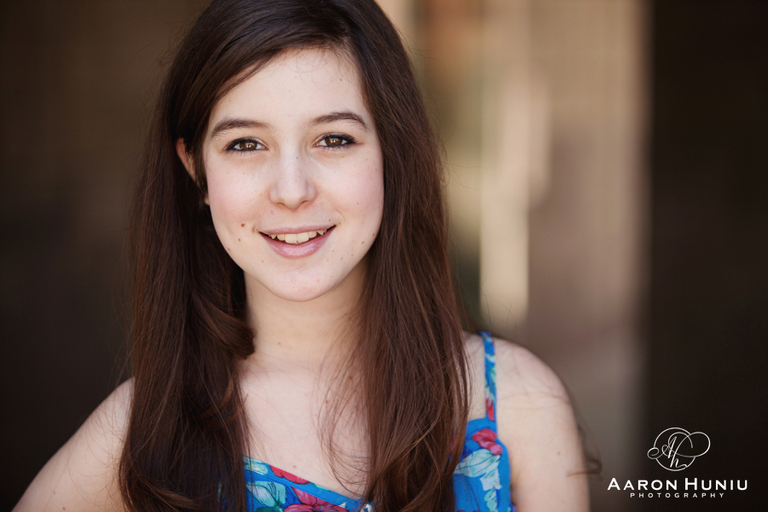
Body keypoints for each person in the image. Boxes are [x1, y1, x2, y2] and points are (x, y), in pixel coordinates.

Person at [14, 0, 589, 511]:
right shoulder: (146, 433)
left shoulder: (517, 403)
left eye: (334, 139)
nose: (291, 191)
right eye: (245, 144)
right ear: (196, 170)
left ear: (393, 153)